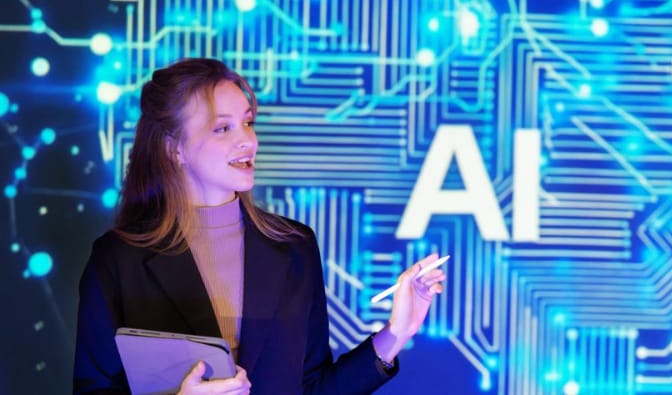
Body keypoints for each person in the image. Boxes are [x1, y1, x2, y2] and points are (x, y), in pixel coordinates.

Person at [73, 58, 447, 394]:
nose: (247, 141)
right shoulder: (118, 259)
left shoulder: (294, 246)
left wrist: (396, 333)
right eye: (223, 128)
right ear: (175, 149)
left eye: (248, 123)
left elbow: (312, 388)